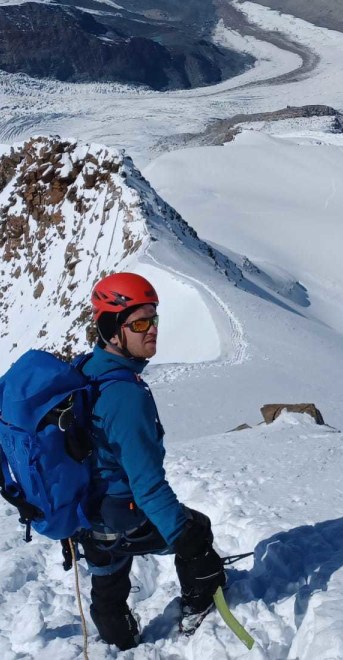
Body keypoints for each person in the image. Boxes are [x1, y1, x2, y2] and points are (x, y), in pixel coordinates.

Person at [73, 271, 226, 650]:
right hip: (122, 514)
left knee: (108, 580)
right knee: (197, 528)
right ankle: (197, 608)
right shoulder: (126, 398)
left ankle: (119, 640)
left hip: (85, 514)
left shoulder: (84, 372)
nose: (151, 330)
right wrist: (190, 542)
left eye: (153, 319)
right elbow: (149, 487)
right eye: (139, 322)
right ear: (112, 330)